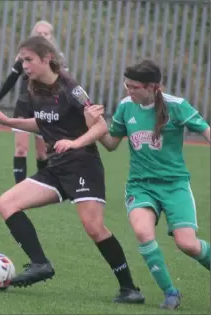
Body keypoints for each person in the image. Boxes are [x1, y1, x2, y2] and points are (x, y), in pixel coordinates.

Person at [0, 35, 145, 304]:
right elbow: (43, 124)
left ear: (47, 58)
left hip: (83, 164)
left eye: (28, 59)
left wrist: (74, 143)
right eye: (21, 60)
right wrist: (8, 121)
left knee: (94, 228)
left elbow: (100, 127)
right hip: (55, 169)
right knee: (6, 203)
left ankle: (130, 289)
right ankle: (40, 264)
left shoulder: (72, 89)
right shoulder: (34, 87)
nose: (24, 65)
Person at [85, 59, 210, 309]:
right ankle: (170, 292)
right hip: (140, 186)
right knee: (143, 232)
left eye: (134, 87)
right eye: (127, 85)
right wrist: (95, 127)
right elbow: (111, 144)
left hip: (175, 185)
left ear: (153, 87)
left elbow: (206, 130)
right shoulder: (125, 107)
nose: (129, 91)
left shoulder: (176, 106)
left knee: (187, 244)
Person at [0, 20, 68, 184]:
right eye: (39, 33)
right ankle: (20, 187)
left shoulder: (57, 58)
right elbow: (11, 79)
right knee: (21, 149)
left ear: (51, 37)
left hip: (44, 106)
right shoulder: (24, 56)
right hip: (25, 105)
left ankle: (44, 186)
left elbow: (65, 84)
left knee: (42, 154)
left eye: (45, 34)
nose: (42, 36)